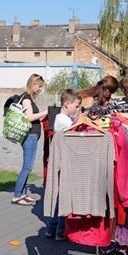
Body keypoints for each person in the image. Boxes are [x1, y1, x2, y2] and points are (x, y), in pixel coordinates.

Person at [44, 89, 80, 239]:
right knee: (63, 198)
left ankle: (52, 228)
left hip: (62, 162)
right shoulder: (65, 122)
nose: (77, 109)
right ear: (67, 104)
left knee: (60, 197)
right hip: (65, 163)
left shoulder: (61, 119)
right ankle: (59, 230)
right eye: (76, 106)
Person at [11, 74, 48, 206]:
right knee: (27, 167)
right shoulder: (26, 99)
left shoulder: (29, 98)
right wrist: (45, 112)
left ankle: (22, 194)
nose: (40, 89)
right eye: (39, 86)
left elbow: (34, 117)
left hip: (32, 136)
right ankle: (17, 196)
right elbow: (30, 117)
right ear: (33, 84)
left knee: (28, 166)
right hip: (29, 136)